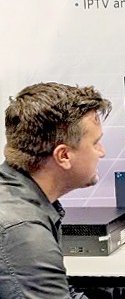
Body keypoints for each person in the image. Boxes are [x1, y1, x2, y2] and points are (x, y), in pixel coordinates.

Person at [0, 82, 111, 299]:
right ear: (64, 156)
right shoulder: (23, 232)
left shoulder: (25, 200)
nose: (102, 152)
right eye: (95, 143)